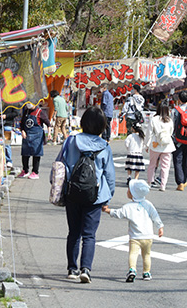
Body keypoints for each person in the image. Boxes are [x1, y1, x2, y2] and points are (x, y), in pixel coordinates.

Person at [63, 106, 115, 283]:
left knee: (73, 232)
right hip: (95, 196)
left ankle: (72, 268)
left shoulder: (71, 141)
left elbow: (59, 166)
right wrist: (108, 197)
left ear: (83, 123)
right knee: (89, 235)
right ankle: (86, 269)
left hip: (72, 192)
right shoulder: (104, 147)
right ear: (102, 126)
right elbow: (109, 175)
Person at [102, 179, 164, 282]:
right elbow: (155, 216)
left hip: (135, 237)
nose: (127, 191)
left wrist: (108, 210)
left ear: (133, 194)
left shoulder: (129, 207)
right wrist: (160, 227)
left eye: (129, 190)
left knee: (133, 254)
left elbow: (118, 213)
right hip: (148, 236)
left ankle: (132, 269)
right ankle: (146, 272)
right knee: (147, 255)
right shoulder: (148, 204)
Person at [145, 101, 175, 191]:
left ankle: (149, 182)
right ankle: (163, 185)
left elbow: (149, 133)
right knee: (165, 166)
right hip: (167, 145)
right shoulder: (169, 120)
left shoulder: (154, 119)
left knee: (152, 164)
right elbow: (171, 132)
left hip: (155, 144)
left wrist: (146, 145)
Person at [18, 101, 50, 179]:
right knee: (25, 154)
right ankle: (25, 170)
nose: (29, 104)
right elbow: (22, 123)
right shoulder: (26, 111)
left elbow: (48, 123)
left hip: (37, 136)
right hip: (27, 135)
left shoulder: (39, 112)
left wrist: (48, 133)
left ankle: (35, 172)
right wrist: (22, 131)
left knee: (36, 154)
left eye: (30, 103)